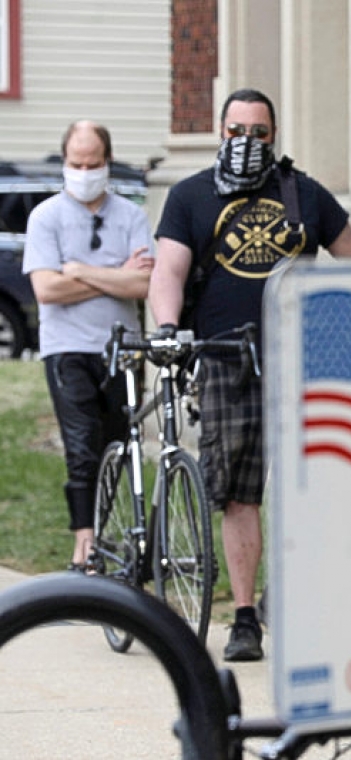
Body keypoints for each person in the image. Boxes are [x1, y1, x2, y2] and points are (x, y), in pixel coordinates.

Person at [148, 88, 351, 662]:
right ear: (221, 132)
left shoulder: (304, 194)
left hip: (304, 361)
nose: (248, 142)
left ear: (275, 136)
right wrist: (169, 328)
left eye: (260, 132)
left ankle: (290, 597)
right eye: (237, 130)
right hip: (225, 359)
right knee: (238, 493)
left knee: (313, 487)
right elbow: (168, 271)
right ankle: (244, 617)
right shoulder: (191, 196)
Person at [23, 121, 154, 572]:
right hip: (66, 349)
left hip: (121, 348)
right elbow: (47, 291)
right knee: (81, 447)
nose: (84, 172)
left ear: (107, 162)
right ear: (64, 163)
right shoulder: (46, 217)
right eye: (76, 164)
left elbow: (144, 283)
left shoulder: (131, 216)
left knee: (116, 445)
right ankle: (85, 545)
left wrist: (78, 269)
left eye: (92, 164)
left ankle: (103, 527)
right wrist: (114, 274)